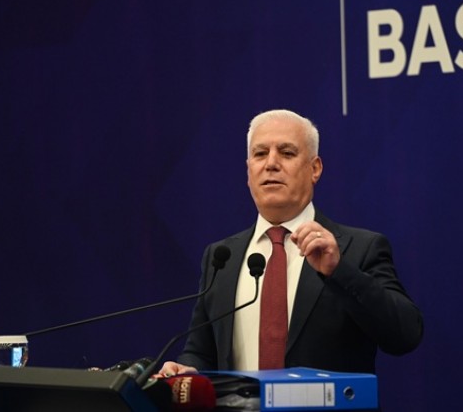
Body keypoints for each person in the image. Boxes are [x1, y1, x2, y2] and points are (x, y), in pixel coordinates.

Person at [159, 109, 423, 376]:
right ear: (249, 170)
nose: (271, 164)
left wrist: (339, 270)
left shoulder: (358, 249)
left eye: (286, 153)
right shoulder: (221, 256)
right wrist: (187, 368)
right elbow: (201, 352)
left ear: (314, 169)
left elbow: (405, 335)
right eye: (260, 154)